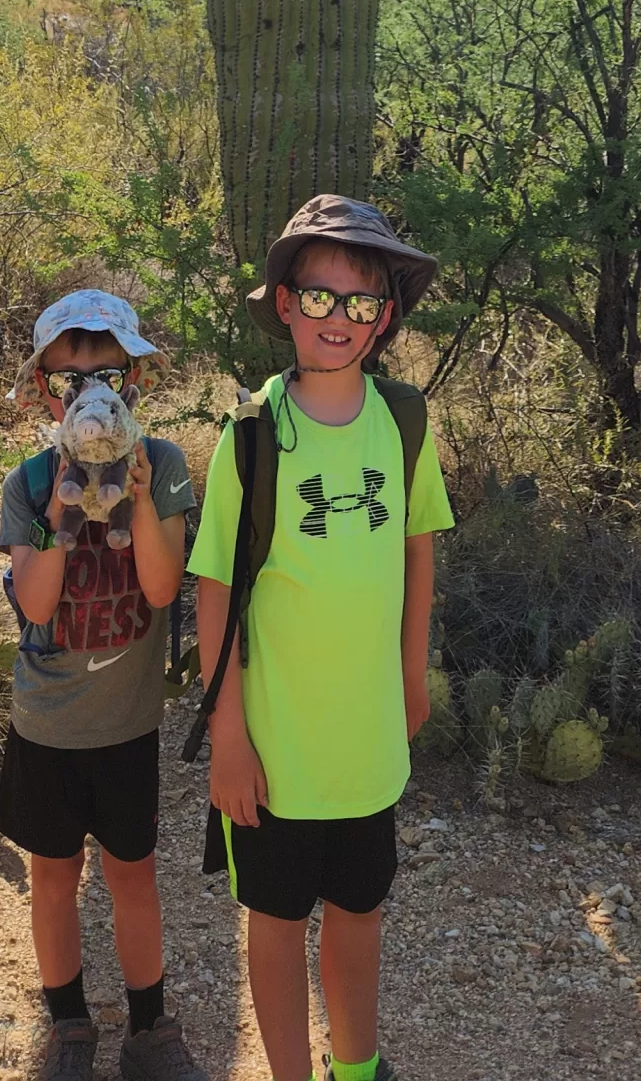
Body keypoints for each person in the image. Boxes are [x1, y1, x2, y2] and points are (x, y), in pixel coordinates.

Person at [190, 197, 454, 1081]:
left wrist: (413, 679)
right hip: (274, 745)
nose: (336, 319)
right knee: (272, 923)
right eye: (318, 297)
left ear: (385, 318)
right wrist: (227, 731)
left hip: (366, 741)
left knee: (359, 911)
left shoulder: (406, 425)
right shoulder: (253, 433)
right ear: (284, 303)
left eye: (358, 302)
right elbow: (215, 586)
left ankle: (357, 1067)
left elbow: (418, 555)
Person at [0, 290, 209, 1081]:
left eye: (108, 376)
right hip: (47, 723)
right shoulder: (28, 482)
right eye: (70, 379)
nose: (89, 392)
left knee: (133, 875)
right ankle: (69, 1027)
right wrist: (58, 510)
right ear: (46, 394)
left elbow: (159, 589)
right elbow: (40, 603)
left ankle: (150, 1031)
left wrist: (144, 492)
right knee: (53, 876)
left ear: (135, 384)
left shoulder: (170, 465)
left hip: (126, 725)